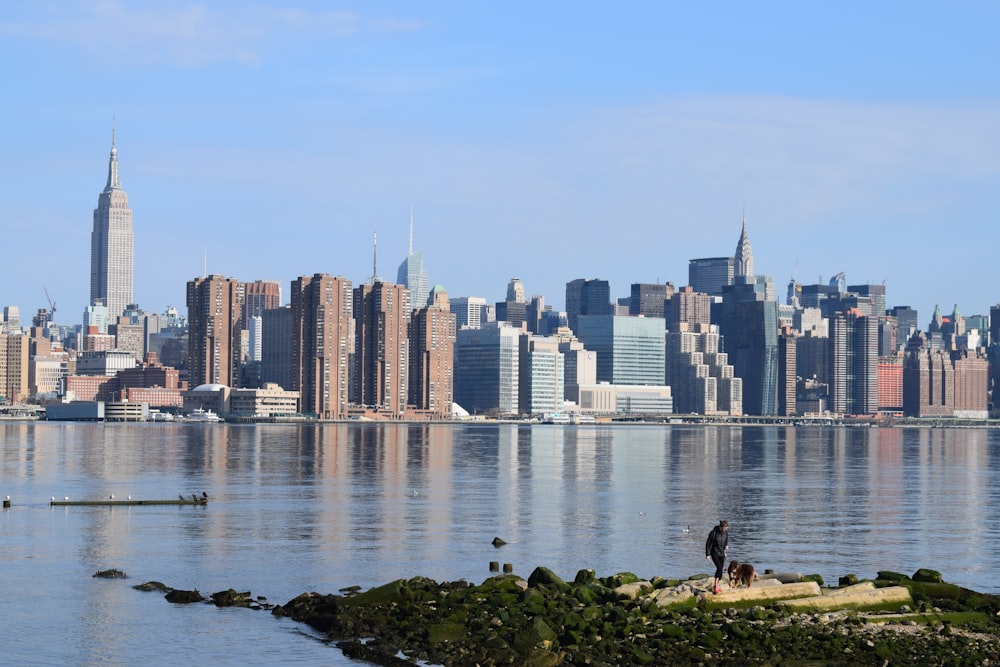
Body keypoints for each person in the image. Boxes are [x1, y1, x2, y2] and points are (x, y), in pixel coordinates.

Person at [705, 520, 729, 593]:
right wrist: (707, 554)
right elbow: (708, 543)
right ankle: (715, 585)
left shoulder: (726, 532)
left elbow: (726, 540)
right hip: (714, 553)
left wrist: (726, 546)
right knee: (719, 568)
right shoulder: (713, 532)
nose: (726, 529)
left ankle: (717, 585)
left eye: (727, 528)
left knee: (720, 570)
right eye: (725, 528)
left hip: (722, 553)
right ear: (721, 527)